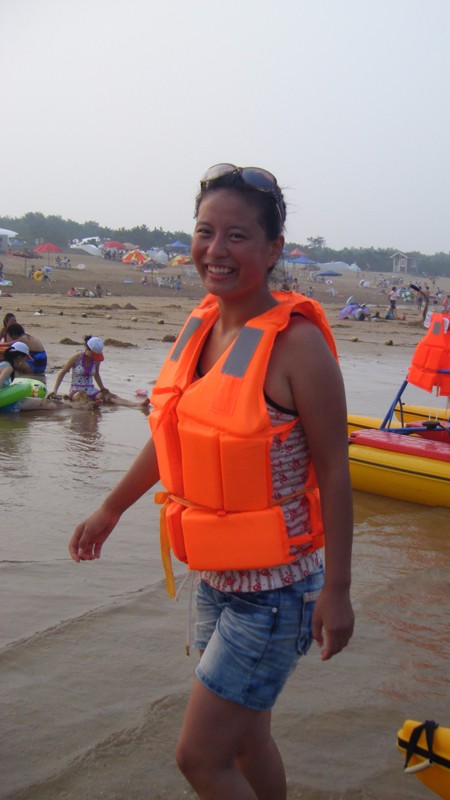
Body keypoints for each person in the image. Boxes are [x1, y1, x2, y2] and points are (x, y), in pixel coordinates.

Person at [67, 163, 354, 799]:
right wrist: (111, 509)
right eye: (205, 232)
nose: (215, 250)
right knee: (247, 742)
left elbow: (336, 471)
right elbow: (175, 436)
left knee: (198, 758)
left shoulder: (299, 346)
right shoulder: (201, 326)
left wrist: (338, 591)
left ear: (273, 249)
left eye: (237, 236)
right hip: (216, 580)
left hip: (277, 592)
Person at [49, 336, 150, 408]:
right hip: (77, 390)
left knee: (110, 397)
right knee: (81, 397)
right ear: (88, 349)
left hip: (91, 389)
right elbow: (62, 373)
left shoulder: (96, 360)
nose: (95, 357)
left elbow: (96, 374)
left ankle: (135, 404)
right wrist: (55, 390)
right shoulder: (76, 357)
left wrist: (102, 388)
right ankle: (91, 405)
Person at [0, 342, 58, 412]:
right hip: (6, 403)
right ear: (19, 357)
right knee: (47, 404)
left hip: (5, 399)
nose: (25, 360)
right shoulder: (8, 368)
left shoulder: (3, 364)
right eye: (25, 357)